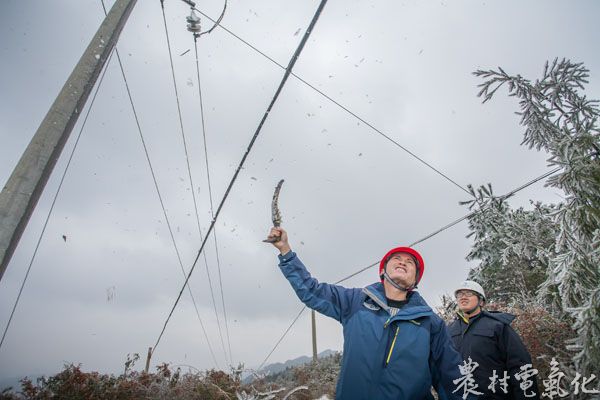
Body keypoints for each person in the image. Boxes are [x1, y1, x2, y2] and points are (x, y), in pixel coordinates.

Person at [266, 226, 467, 400]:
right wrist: (286, 251)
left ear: (416, 280)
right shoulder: (354, 302)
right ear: (383, 272)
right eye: (396, 258)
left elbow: (451, 376)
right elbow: (312, 291)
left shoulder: (430, 322)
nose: (403, 262)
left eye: (410, 262)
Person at [447, 280, 539, 399]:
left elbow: (519, 365)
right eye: (459, 294)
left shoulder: (498, 326)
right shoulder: (449, 330)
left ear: (481, 301)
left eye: (469, 293)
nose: (463, 297)